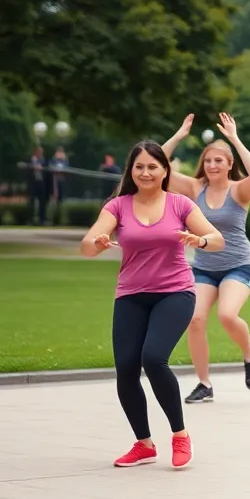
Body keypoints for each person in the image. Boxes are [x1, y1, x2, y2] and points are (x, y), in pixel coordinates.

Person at [79, 140, 226, 469]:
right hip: (131, 295)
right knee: (126, 369)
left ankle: (180, 434)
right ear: (132, 171)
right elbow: (87, 245)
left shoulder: (180, 204)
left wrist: (199, 239)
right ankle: (144, 444)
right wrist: (98, 244)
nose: (146, 172)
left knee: (153, 358)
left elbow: (217, 239)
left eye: (152, 166)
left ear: (165, 170)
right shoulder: (117, 206)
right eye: (139, 167)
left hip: (175, 293)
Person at [161, 113, 250, 403]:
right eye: (208, 160)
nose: (213, 165)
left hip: (237, 265)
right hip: (204, 267)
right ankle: (204, 384)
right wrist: (179, 135)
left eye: (219, 160)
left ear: (229, 164)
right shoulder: (196, 189)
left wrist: (234, 138)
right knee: (194, 320)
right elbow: (159, 167)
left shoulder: (239, 190)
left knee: (227, 315)